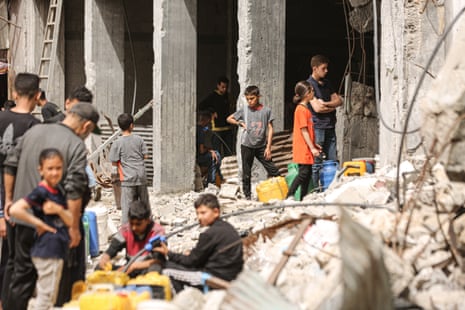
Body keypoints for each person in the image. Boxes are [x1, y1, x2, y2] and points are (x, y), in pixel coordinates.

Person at [3, 102, 100, 309]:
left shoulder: (34, 130)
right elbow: (74, 190)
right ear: (87, 126)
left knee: (21, 278)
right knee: (55, 284)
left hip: (22, 221)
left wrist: (9, 201)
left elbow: (10, 164)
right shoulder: (75, 144)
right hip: (52, 227)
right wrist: (74, 227)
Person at [9, 148, 72, 310]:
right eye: (50, 168)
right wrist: (39, 223)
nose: (54, 173)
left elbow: (70, 219)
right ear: (41, 170)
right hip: (47, 250)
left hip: (56, 248)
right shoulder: (41, 191)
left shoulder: (57, 190)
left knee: (48, 296)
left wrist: (58, 210)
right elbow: (16, 209)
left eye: (58, 168)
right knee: (45, 298)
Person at [0, 73, 41, 310]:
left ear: (14, 94)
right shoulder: (36, 127)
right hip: (21, 201)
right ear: (37, 96)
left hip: (5, 199)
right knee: (17, 258)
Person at [154, 193, 243, 293]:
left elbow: (191, 261)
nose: (199, 217)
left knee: (166, 269)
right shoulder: (226, 227)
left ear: (216, 212)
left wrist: (168, 253)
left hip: (213, 277)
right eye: (197, 213)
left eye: (203, 213)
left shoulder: (209, 234)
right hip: (229, 274)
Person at [226, 85, 281, 200]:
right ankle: (247, 196)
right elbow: (229, 118)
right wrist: (240, 123)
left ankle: (279, 191)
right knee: (246, 173)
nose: (250, 101)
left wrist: (268, 147)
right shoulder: (245, 110)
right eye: (247, 99)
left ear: (258, 97)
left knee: (273, 169)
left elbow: (270, 129)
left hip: (261, 146)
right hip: (247, 145)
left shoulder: (266, 111)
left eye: (252, 98)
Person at [97, 200, 165, 277]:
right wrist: (105, 257)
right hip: (130, 269)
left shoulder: (157, 232)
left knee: (155, 270)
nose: (134, 227)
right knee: (99, 268)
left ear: (148, 221)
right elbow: (112, 249)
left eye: (138, 224)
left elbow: (158, 261)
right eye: (131, 223)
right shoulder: (126, 229)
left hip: (147, 268)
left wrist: (133, 266)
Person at [306, 55, 343, 190]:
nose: (326, 71)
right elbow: (317, 108)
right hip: (318, 127)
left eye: (327, 68)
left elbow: (339, 101)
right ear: (315, 68)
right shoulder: (309, 85)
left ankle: (330, 189)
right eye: (323, 68)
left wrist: (327, 104)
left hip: (330, 126)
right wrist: (331, 107)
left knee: (332, 161)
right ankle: (315, 190)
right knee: (317, 162)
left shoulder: (327, 83)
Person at [109, 113, 150, 224]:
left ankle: (127, 231)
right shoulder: (139, 139)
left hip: (127, 179)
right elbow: (146, 156)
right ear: (132, 125)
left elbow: (113, 162)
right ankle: (147, 226)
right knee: (144, 204)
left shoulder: (117, 143)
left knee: (127, 207)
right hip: (141, 176)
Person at [286, 81, 322, 201]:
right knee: (303, 174)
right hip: (303, 147)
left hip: (307, 146)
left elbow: (308, 131)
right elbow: (304, 130)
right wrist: (311, 147)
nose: (313, 93)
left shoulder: (305, 110)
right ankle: (289, 195)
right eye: (311, 91)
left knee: (307, 174)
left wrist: (314, 144)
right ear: (307, 94)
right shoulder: (301, 110)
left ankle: (303, 198)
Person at [199, 76, 235, 156]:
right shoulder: (212, 96)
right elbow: (200, 106)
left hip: (228, 128)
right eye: (222, 87)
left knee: (229, 152)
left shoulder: (228, 96)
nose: (224, 89)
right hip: (217, 129)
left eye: (226, 87)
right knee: (217, 153)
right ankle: (217, 168)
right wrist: (212, 112)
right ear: (218, 86)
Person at [196, 110, 222, 187]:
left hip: (194, 156)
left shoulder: (196, 128)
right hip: (197, 157)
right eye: (210, 121)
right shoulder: (201, 131)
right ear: (206, 120)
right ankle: (211, 183)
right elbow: (201, 151)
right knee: (216, 156)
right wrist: (210, 150)